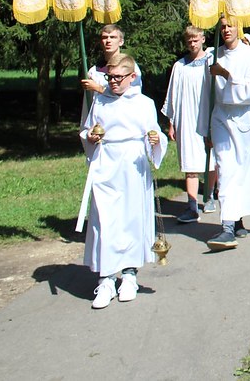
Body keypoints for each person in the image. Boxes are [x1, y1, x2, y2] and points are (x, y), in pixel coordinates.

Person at [79, 53, 167, 309]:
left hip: (133, 167)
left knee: (131, 219)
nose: (113, 82)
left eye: (118, 77)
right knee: (105, 221)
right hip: (106, 166)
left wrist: (155, 140)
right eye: (109, 77)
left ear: (132, 77)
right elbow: (87, 129)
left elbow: (155, 133)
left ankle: (129, 275)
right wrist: (91, 137)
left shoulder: (144, 103)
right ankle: (106, 278)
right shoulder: (100, 101)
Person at [206, 16, 250, 250]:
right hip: (221, 118)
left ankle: (237, 218)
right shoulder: (212, 54)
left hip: (244, 118)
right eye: (222, 26)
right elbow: (207, 94)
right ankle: (226, 228)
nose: (226, 30)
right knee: (226, 169)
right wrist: (205, 127)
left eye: (230, 26)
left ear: (238, 27)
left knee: (242, 171)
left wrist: (226, 75)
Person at [162, 26, 217, 224]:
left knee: (210, 159)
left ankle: (209, 196)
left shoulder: (212, 61)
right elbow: (173, 94)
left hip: (206, 116)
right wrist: (172, 122)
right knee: (190, 161)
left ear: (203, 39)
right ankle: (192, 206)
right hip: (186, 118)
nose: (193, 44)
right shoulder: (180, 66)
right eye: (189, 41)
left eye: (196, 40)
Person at [80, 24, 142, 121]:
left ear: (121, 42)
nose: (108, 41)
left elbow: (131, 96)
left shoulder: (130, 68)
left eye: (113, 37)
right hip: (99, 122)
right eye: (105, 37)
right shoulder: (94, 71)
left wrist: (98, 88)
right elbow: (88, 105)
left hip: (123, 120)